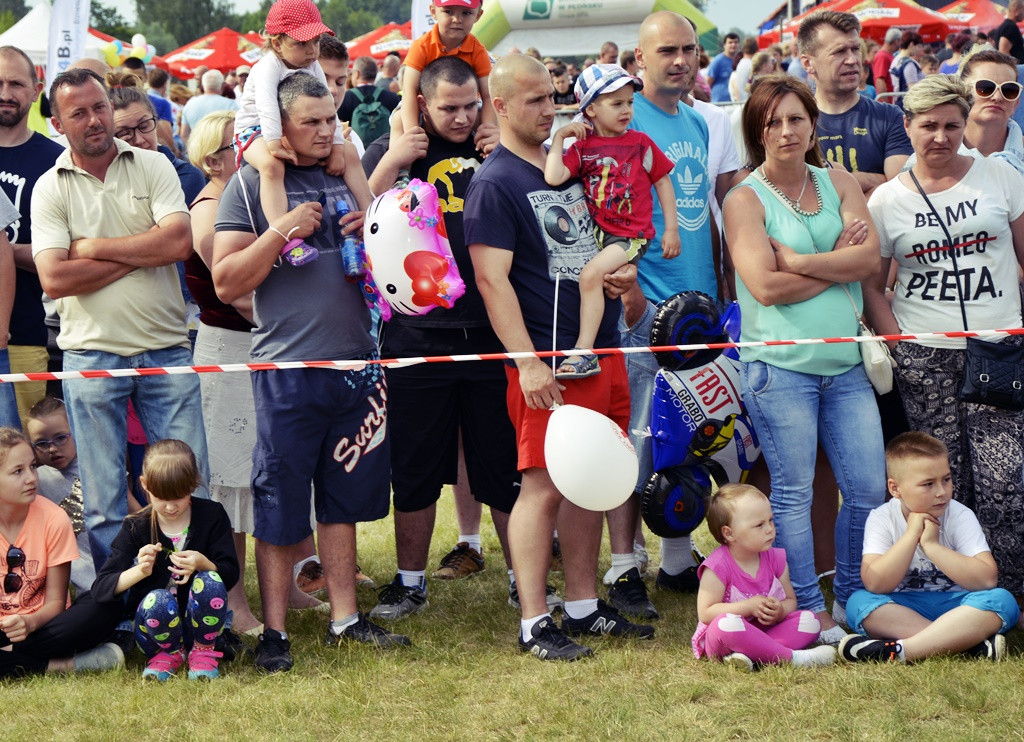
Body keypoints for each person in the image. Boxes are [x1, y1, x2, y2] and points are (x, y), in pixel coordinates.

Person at [213, 73, 406, 673]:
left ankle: (344, 619)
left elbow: (399, 267)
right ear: (280, 124)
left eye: (332, 120)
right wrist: (279, 232)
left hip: (356, 365)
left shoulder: (345, 175)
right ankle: (275, 632)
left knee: (343, 501)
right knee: (280, 503)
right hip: (287, 370)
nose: (326, 132)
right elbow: (226, 282)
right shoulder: (248, 184)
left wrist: (372, 234)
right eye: (311, 123)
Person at [465, 54, 653, 661]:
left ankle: (581, 604)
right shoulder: (494, 182)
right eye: (534, 101)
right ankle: (534, 621)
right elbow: (493, 283)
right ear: (500, 107)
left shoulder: (565, 165)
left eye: (552, 97)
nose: (550, 110)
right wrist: (525, 362)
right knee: (542, 485)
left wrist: (622, 283)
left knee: (587, 482)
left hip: (596, 351)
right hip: (544, 360)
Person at [723, 74, 887, 644]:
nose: (786, 131)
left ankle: (852, 598)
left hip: (845, 365)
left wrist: (797, 260)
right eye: (772, 122)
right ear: (757, 132)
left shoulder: (838, 180)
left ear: (813, 123)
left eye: (796, 118)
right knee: (791, 494)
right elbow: (764, 288)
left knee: (866, 488)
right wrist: (830, 259)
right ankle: (811, 611)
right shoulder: (743, 198)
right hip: (780, 367)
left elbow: (868, 261)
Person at [359, 56, 522, 618]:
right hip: (415, 335)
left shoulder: (499, 146)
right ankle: (409, 582)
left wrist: (504, 147)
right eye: (449, 108)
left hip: (491, 331)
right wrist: (391, 163)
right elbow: (356, 219)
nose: (461, 118)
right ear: (423, 104)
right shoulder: (395, 150)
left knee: (501, 465)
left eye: (470, 105)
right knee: (416, 466)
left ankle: (523, 579)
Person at [31, 68, 211, 567]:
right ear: (58, 124)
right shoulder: (49, 187)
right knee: (104, 499)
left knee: (191, 484)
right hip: (90, 353)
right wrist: (140, 250)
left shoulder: (154, 165)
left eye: (100, 107)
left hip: (166, 347)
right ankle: (121, 611)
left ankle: (197, 603)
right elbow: (54, 279)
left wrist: (88, 249)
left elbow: (177, 242)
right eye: (79, 113)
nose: (94, 120)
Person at [863, 74, 1024, 601]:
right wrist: (898, 343)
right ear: (906, 126)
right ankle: (946, 592)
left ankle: (1013, 595)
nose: (940, 136)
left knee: (1006, 483)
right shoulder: (886, 200)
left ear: (966, 125)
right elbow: (872, 281)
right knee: (939, 486)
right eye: (928, 125)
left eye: (952, 125)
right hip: (925, 358)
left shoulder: (999, 175)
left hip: (999, 352)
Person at [611, 11, 722, 621]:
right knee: (638, 443)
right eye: (667, 51)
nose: (680, 60)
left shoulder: (699, 121)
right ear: (640, 58)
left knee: (689, 438)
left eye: (689, 50)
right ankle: (624, 566)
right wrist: (631, 290)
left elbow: (702, 212)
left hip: (698, 313)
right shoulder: (622, 119)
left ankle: (677, 559)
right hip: (646, 312)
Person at [544, 64, 677, 379]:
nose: (626, 110)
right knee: (595, 283)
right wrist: (561, 135)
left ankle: (584, 351)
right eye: (617, 103)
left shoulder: (641, 143)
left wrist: (672, 228)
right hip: (596, 236)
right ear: (591, 108)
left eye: (630, 102)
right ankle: (594, 348)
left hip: (630, 234)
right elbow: (553, 176)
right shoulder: (582, 147)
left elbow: (663, 181)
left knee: (591, 276)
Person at [840, 433, 1019, 662]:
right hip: (904, 607)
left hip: (960, 607)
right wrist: (912, 534)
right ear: (895, 489)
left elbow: (986, 580)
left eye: (946, 479)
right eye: (928, 484)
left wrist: (932, 546)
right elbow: (876, 583)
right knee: (859, 603)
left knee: (1002, 600)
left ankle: (902, 651)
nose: (941, 492)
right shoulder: (882, 517)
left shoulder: (960, 515)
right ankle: (966, 645)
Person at [92, 440, 238, 681]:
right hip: (153, 633)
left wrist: (204, 564)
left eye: (179, 497)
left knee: (209, 580)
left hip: (202, 629)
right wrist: (139, 571)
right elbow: (101, 588)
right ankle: (168, 653)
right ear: (144, 485)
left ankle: (202, 652)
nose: (170, 507)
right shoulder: (136, 526)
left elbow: (231, 574)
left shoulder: (211, 516)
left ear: (193, 484)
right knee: (157, 599)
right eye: (160, 497)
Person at [233, 0, 368, 258]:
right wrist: (273, 143)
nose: (312, 51)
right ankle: (284, 236)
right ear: (277, 43)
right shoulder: (267, 67)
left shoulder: (312, 65)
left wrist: (338, 145)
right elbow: (266, 108)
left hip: (284, 128)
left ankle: (369, 217)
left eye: (315, 41)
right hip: (254, 130)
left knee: (350, 151)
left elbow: (327, 108)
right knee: (272, 166)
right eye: (301, 43)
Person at [0, 427, 124, 679]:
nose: (32, 478)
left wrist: (29, 623)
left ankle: (10, 656)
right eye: (18, 471)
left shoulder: (54, 518)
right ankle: (65, 666)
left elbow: (56, 602)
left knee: (103, 604)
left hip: (44, 626)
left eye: (33, 467)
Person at [693, 484, 836, 670]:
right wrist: (748, 607)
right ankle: (792, 658)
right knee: (724, 624)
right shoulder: (717, 566)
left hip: (769, 631)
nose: (769, 529)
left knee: (809, 621)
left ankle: (753, 655)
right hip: (728, 635)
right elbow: (706, 613)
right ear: (729, 533)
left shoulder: (776, 558)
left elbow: (791, 601)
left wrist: (781, 610)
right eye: (759, 525)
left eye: (771, 520)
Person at [0, 46, 63, 425]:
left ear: (36, 89)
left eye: (16, 84)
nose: (5, 92)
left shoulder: (55, 161)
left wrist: (5, 252)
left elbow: (65, 252)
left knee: (19, 452)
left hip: (26, 330)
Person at [800, 11, 912, 196]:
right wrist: (872, 179)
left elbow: (898, 192)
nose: (852, 60)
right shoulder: (792, 123)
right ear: (808, 63)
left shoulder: (890, 116)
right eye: (839, 52)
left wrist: (839, 183)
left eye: (855, 49)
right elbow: (790, 192)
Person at [400, 0, 495, 153]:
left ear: (478, 15)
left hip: (466, 105)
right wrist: (413, 134)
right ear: (433, 11)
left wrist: (488, 131)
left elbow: (488, 95)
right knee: (399, 119)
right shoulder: (421, 46)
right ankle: (403, 169)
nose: (457, 20)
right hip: (423, 105)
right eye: (448, 12)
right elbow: (409, 89)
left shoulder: (478, 51)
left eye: (466, 13)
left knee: (485, 123)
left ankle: (487, 155)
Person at [24, 397, 93, 593]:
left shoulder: (96, 464)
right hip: (75, 581)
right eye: (42, 443)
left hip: (119, 566)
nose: (52, 448)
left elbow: (134, 513)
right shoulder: (35, 480)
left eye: (61, 438)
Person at [338, 55, 400, 145]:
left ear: (357, 74)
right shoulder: (392, 97)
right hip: (385, 151)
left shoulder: (344, 98)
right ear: (375, 74)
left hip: (357, 153)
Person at [179, 69, 237, 144]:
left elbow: (184, 135)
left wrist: (192, 152)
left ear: (203, 85)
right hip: (223, 150)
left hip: (198, 151)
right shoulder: (231, 104)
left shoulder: (190, 104)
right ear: (222, 85)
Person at [890, 32, 925, 102]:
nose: (920, 50)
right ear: (911, 45)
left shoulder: (896, 60)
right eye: (919, 46)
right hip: (910, 103)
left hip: (899, 100)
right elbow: (913, 89)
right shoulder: (909, 64)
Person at [708, 33, 739, 103]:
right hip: (719, 103)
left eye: (736, 42)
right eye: (730, 42)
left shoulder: (739, 61)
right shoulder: (718, 61)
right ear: (724, 45)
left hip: (734, 103)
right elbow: (708, 82)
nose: (733, 45)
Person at [871, 28, 901, 98]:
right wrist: (885, 102)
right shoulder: (882, 56)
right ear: (896, 41)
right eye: (900, 41)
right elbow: (879, 80)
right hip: (887, 102)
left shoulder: (887, 55)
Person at [729, 37, 758, 103]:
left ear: (743, 49)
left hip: (742, 102)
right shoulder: (753, 65)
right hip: (750, 102)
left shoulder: (740, 63)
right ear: (756, 49)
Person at [995, 0, 1024, 64]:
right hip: (1016, 70)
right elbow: (1003, 50)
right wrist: (1014, 68)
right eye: (1023, 10)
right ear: (1017, 10)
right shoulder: (1010, 26)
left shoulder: (1006, 25)